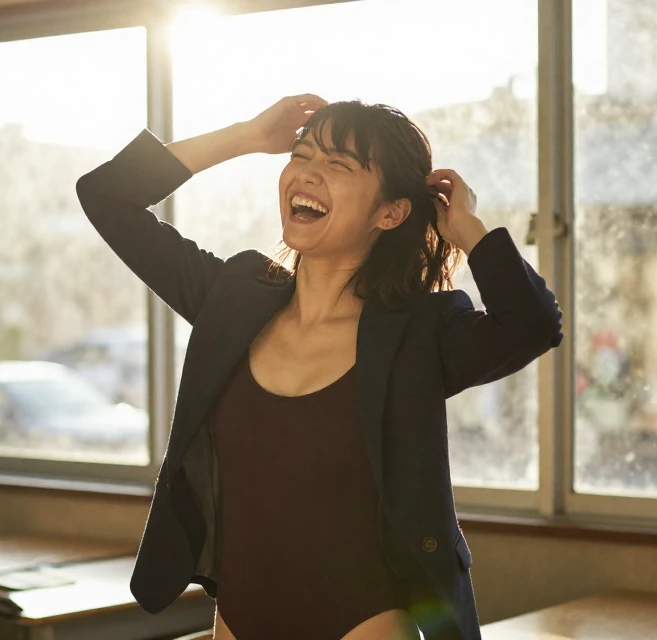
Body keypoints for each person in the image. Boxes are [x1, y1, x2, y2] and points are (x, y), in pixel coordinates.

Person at [76, 95, 563, 640]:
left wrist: (468, 229)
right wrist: (247, 136)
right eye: (302, 155)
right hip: (237, 621)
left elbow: (533, 326)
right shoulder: (233, 300)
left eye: (338, 165)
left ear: (391, 212)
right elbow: (106, 195)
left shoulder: (418, 335)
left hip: (364, 626)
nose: (307, 174)